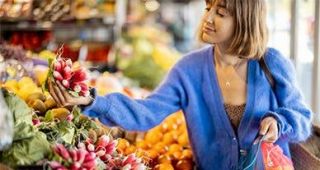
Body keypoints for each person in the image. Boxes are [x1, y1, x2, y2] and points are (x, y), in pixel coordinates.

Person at [48, 0, 313, 169]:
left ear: (244, 20)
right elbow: (146, 112)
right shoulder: (189, 70)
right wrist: (93, 101)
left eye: (220, 13)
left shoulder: (271, 62)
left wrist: (279, 122)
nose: (207, 18)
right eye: (208, 7)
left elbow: (301, 119)